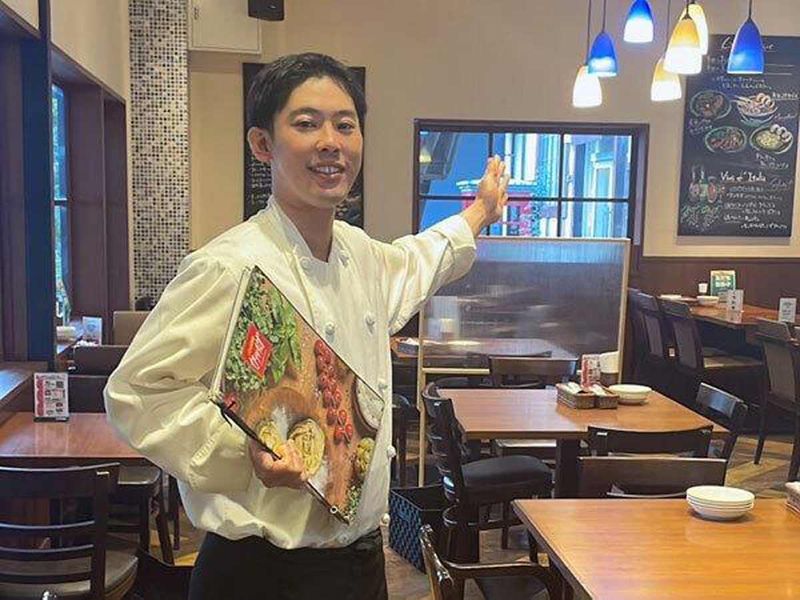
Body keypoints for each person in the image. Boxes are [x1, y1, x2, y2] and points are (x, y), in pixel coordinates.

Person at [104, 52, 508, 600]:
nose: (330, 142)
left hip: (361, 562)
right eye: (306, 123)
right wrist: (242, 451)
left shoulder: (359, 254)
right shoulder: (229, 264)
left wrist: (480, 211)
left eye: (345, 125)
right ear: (262, 144)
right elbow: (139, 392)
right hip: (259, 574)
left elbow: (421, 259)